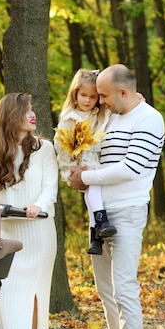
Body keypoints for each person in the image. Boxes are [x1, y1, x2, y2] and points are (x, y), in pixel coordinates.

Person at [68, 64, 165, 329]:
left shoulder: (150, 119)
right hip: (99, 216)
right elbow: (91, 153)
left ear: (123, 92)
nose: (101, 102)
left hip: (126, 212)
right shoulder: (109, 118)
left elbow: (130, 167)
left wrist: (89, 177)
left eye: (105, 96)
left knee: (124, 288)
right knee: (106, 292)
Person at [0, 93, 58, 329]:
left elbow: (51, 187)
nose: (33, 114)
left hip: (37, 232)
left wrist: (40, 206)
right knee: (6, 292)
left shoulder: (44, 149)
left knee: (35, 294)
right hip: (8, 232)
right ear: (11, 116)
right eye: (26, 110)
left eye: (33, 109)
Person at [54, 69, 116, 255]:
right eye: (83, 95)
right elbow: (60, 144)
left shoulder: (100, 114)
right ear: (75, 94)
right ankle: (101, 220)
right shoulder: (68, 117)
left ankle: (95, 238)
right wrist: (74, 156)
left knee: (93, 189)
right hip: (74, 166)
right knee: (92, 185)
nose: (87, 100)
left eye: (92, 96)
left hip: (94, 162)